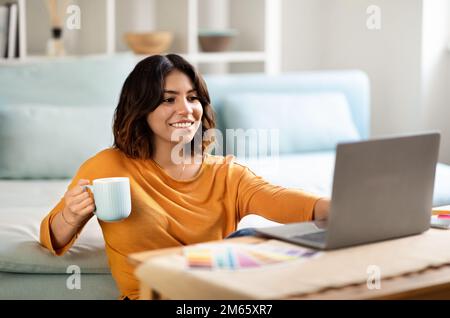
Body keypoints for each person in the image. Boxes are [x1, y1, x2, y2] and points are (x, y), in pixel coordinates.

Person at [40, 54, 330, 300]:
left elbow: (278, 199)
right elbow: (51, 237)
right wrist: (71, 215)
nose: (186, 109)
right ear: (141, 109)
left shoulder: (226, 173)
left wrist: (337, 206)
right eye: (168, 99)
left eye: (193, 98)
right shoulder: (107, 167)